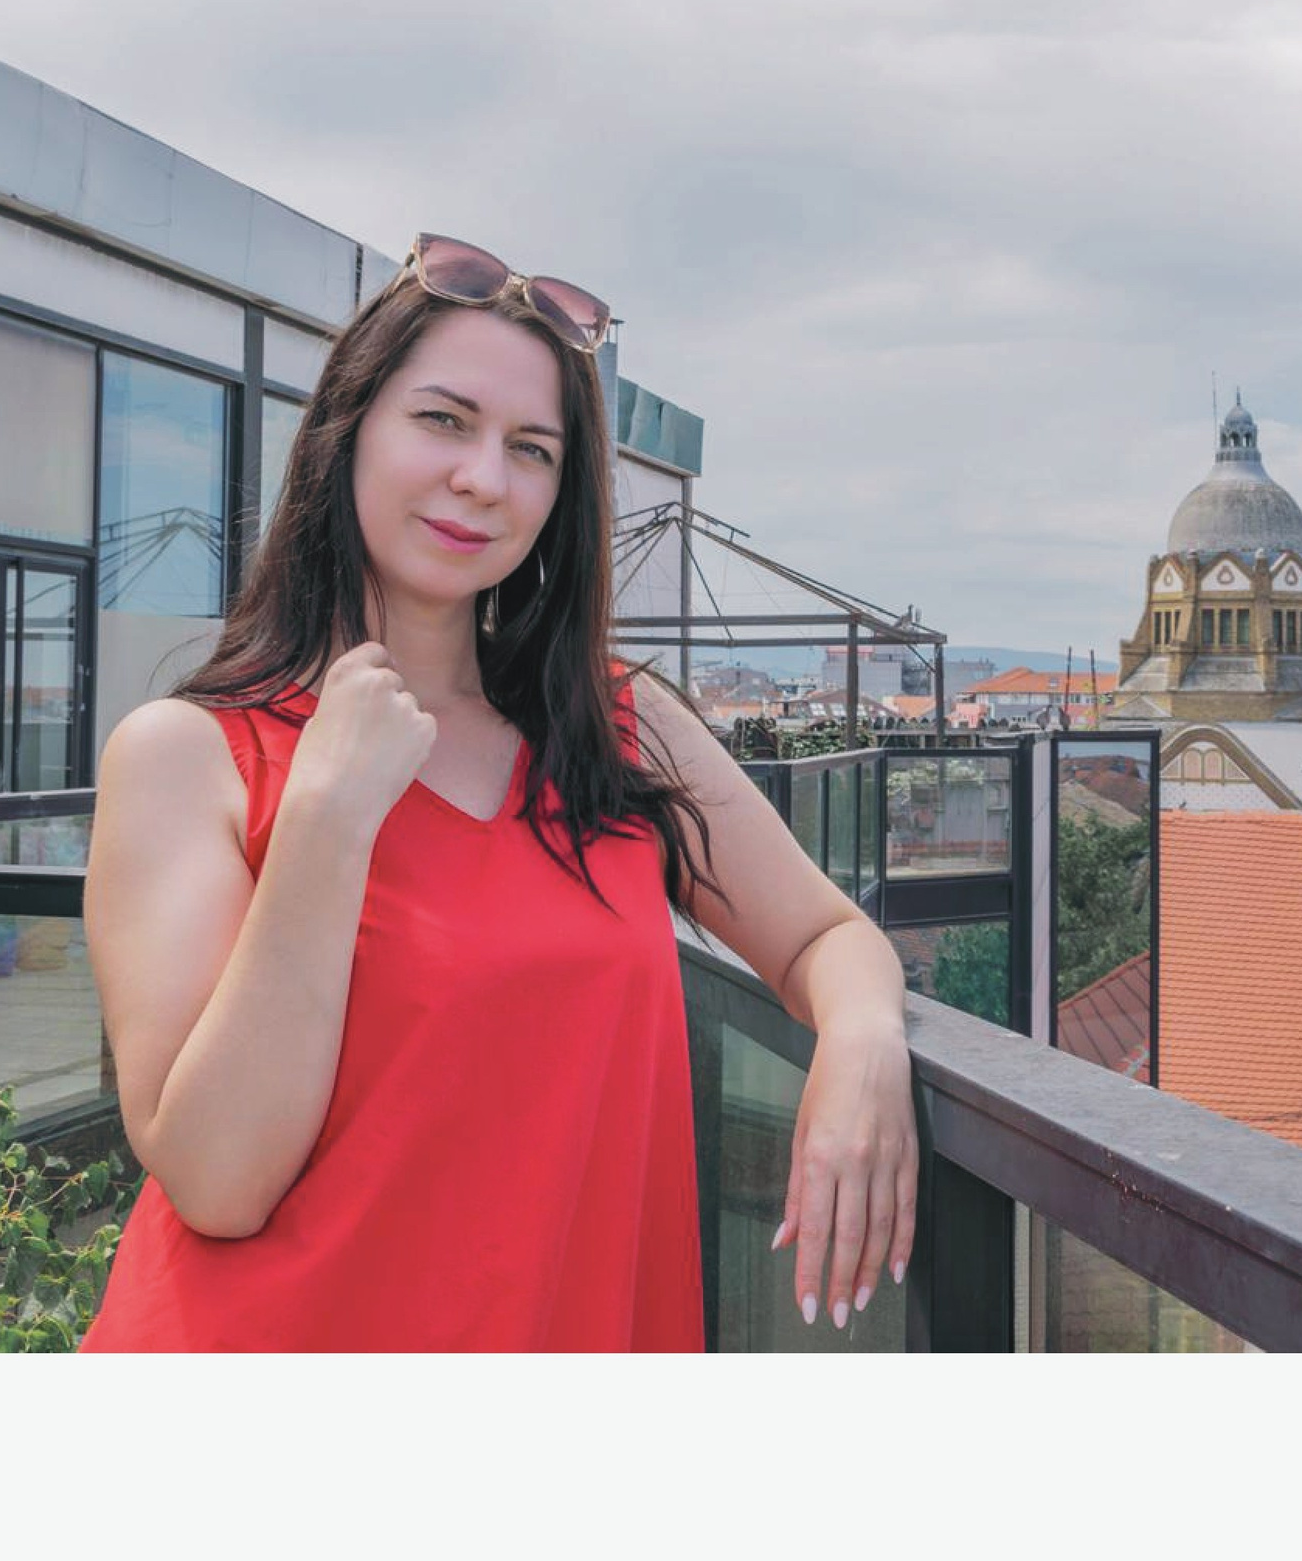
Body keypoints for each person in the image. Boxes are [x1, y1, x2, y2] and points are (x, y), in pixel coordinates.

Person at [77, 233, 917, 1351]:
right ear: (348, 431)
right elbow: (218, 1182)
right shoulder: (188, 755)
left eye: (532, 449)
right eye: (443, 420)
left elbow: (823, 935)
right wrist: (327, 817)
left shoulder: (621, 729)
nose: (484, 479)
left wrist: (862, 1045)